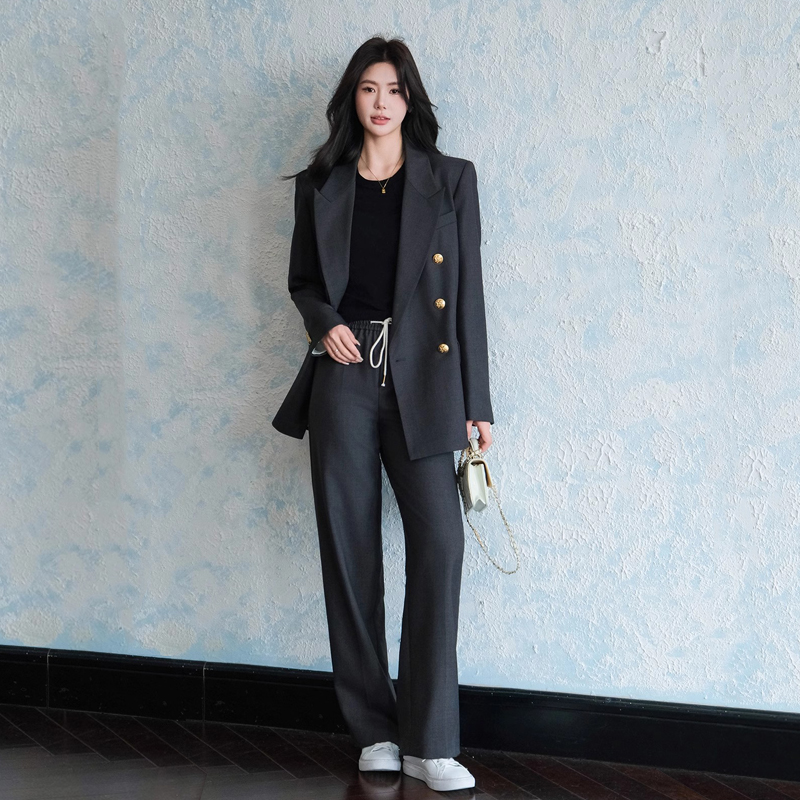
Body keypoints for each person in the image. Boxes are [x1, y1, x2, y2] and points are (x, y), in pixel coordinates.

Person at [272, 36, 494, 793]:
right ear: (353, 99)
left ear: (409, 100)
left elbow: (469, 299)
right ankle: (374, 730)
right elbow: (303, 281)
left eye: (394, 89)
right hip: (343, 376)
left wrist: (478, 405)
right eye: (369, 88)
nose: (381, 102)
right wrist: (323, 323)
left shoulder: (450, 180)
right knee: (350, 550)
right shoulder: (321, 184)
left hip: (426, 381)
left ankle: (432, 741)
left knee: (440, 544)